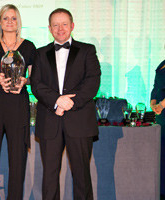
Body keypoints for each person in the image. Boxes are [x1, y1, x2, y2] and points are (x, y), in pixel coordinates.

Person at [31, 8, 101, 200]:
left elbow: (93, 81)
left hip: (79, 121)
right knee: (50, 177)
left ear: (72, 26)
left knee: (81, 176)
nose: (60, 28)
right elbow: (36, 84)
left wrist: (69, 102)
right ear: (49, 28)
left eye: (64, 24)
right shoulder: (40, 53)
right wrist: (57, 100)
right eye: (55, 25)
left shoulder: (87, 50)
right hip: (49, 121)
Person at [0, 4, 36, 200]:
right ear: (0, 22)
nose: (10, 21)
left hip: (17, 104)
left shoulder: (29, 46)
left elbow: (34, 78)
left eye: (13, 18)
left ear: (19, 22)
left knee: (17, 159)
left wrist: (24, 81)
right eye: (5, 18)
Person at [150, 59, 165, 197]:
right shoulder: (161, 64)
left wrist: (161, 104)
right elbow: (156, 87)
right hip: (162, 115)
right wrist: (153, 103)